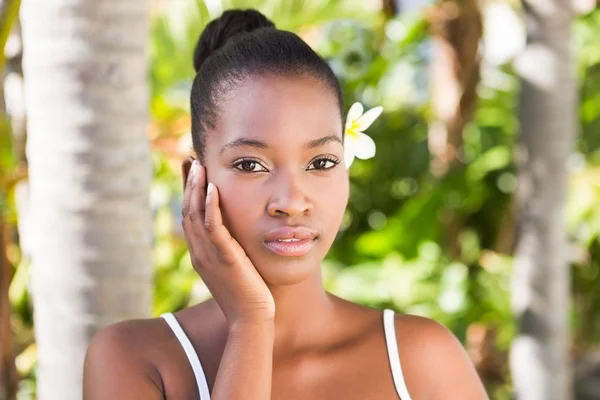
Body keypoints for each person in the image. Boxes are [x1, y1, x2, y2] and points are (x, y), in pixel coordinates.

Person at [83, 8, 488, 400]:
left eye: (321, 162)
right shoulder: (136, 359)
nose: (293, 202)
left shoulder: (421, 359)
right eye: (250, 164)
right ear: (195, 178)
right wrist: (251, 323)